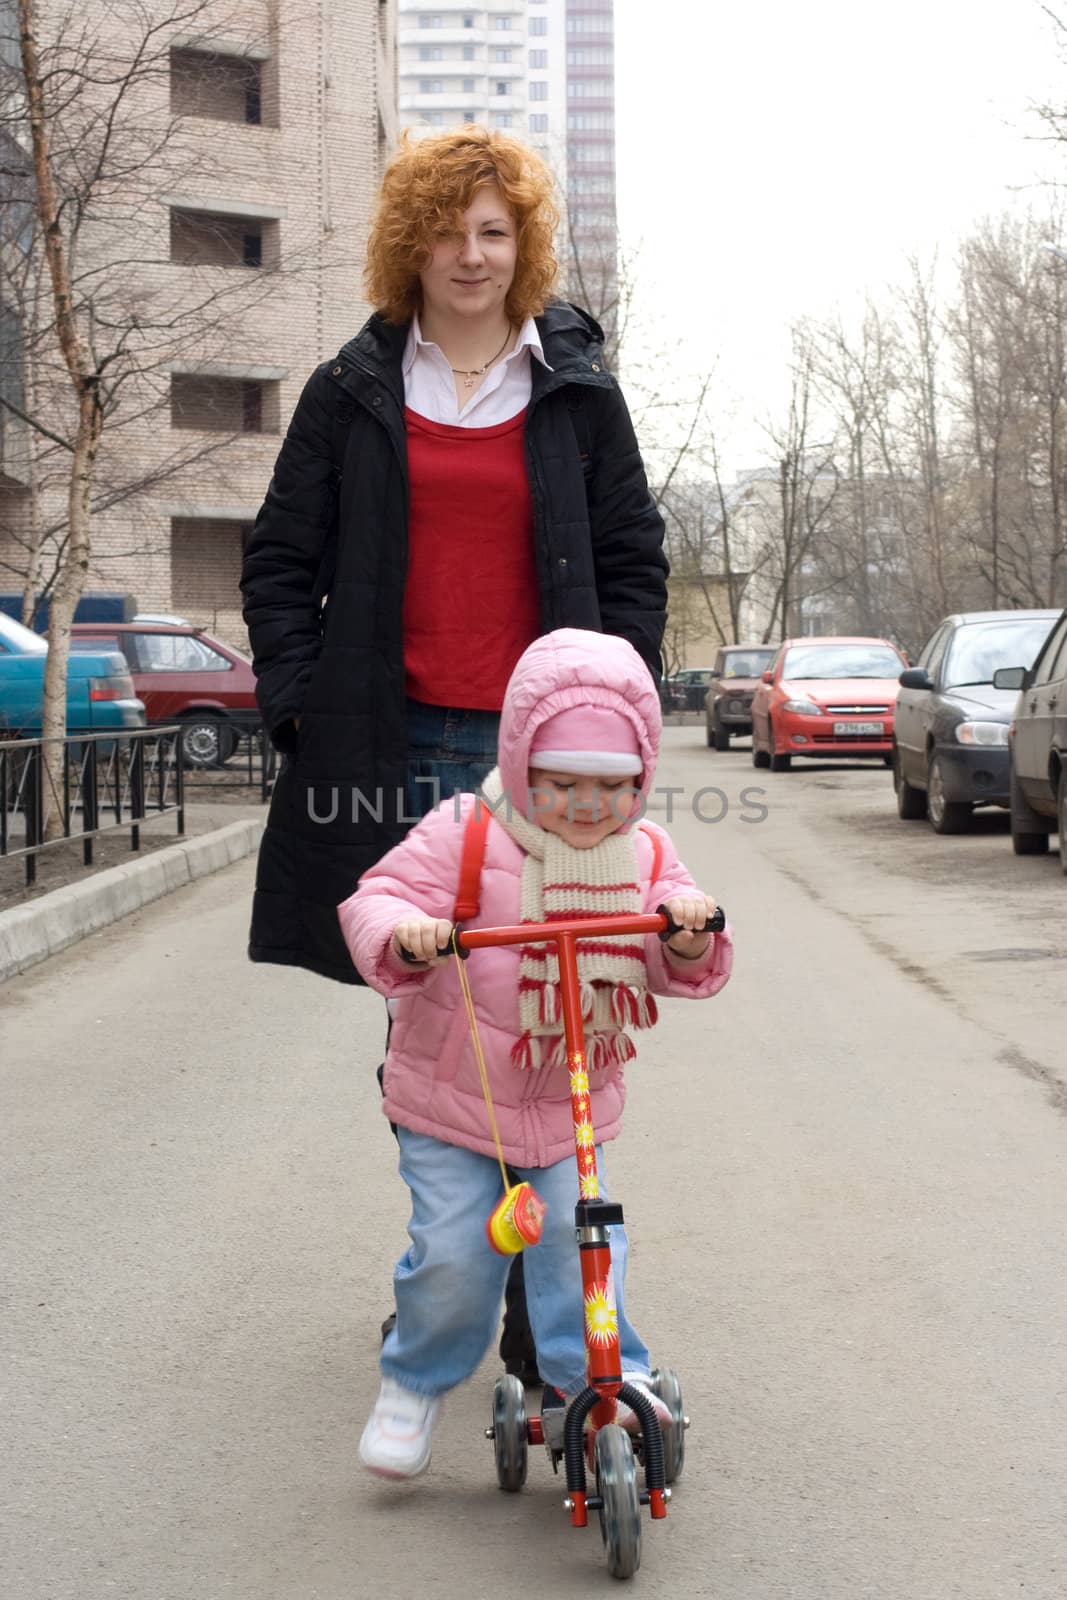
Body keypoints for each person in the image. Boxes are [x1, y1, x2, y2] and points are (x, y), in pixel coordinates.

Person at [240, 125, 668, 1384]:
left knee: (548, 1012)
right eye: (447, 229)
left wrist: (614, 709)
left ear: (521, 245)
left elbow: (634, 560)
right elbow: (277, 561)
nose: (470, 255)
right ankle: (455, 1262)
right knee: (432, 1018)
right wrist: (301, 705)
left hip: (548, 763)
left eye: (494, 231)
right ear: (409, 243)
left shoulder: (574, 388)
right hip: (393, 738)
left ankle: (544, 1312)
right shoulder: (351, 391)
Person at [337, 629, 733, 1479]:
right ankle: (413, 1382)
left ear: (639, 778)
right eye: (562, 784)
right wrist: (407, 938)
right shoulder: (466, 832)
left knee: (579, 1244)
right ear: (521, 766)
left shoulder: (647, 853)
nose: (587, 805)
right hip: (451, 1103)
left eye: (610, 786)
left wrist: (691, 933)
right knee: (454, 1252)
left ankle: (597, 1380)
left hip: (566, 1103)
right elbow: (378, 898)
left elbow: (671, 938)